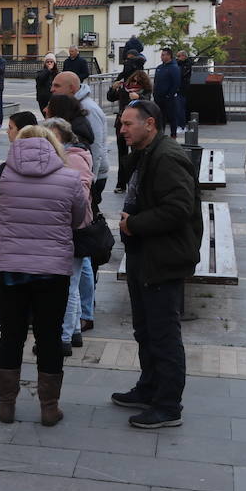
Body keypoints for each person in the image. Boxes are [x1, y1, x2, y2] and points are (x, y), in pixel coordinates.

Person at [0, 125, 89, 426]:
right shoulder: (69, 177)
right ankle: (49, 407)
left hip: (9, 271)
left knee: (11, 333)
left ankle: (6, 405)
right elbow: (81, 219)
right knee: (49, 335)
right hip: (52, 272)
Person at [114, 99, 201, 428]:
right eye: (122, 123)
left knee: (163, 334)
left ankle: (167, 405)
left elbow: (178, 209)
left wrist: (133, 225)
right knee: (146, 330)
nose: (122, 129)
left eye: (127, 124)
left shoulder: (167, 157)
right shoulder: (147, 152)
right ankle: (149, 387)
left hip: (163, 256)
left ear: (149, 124)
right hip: (144, 253)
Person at [42, 117, 96, 355]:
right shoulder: (69, 156)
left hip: (72, 229)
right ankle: (73, 332)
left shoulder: (72, 158)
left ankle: (63, 338)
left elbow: (81, 200)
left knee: (68, 284)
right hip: (70, 228)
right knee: (71, 281)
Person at [50, 71, 109, 214]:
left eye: (56, 86)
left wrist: (90, 181)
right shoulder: (73, 105)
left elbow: (95, 148)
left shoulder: (88, 109)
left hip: (89, 177)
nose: (52, 89)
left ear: (71, 88)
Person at [107, 69, 152, 193]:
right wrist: (113, 88)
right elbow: (111, 98)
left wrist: (139, 97)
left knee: (136, 154)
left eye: (138, 81)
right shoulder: (124, 89)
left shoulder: (145, 91)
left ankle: (135, 182)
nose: (134, 83)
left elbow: (148, 103)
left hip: (136, 125)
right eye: (133, 80)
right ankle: (121, 184)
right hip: (121, 124)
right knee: (122, 154)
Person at [153, 47, 185, 138]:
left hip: (169, 98)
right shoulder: (159, 68)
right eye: (161, 55)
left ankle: (173, 135)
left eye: (163, 55)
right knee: (159, 117)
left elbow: (176, 83)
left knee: (172, 117)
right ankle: (160, 135)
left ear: (169, 56)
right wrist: (155, 93)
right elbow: (156, 82)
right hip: (158, 97)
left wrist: (169, 95)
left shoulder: (174, 68)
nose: (161, 57)